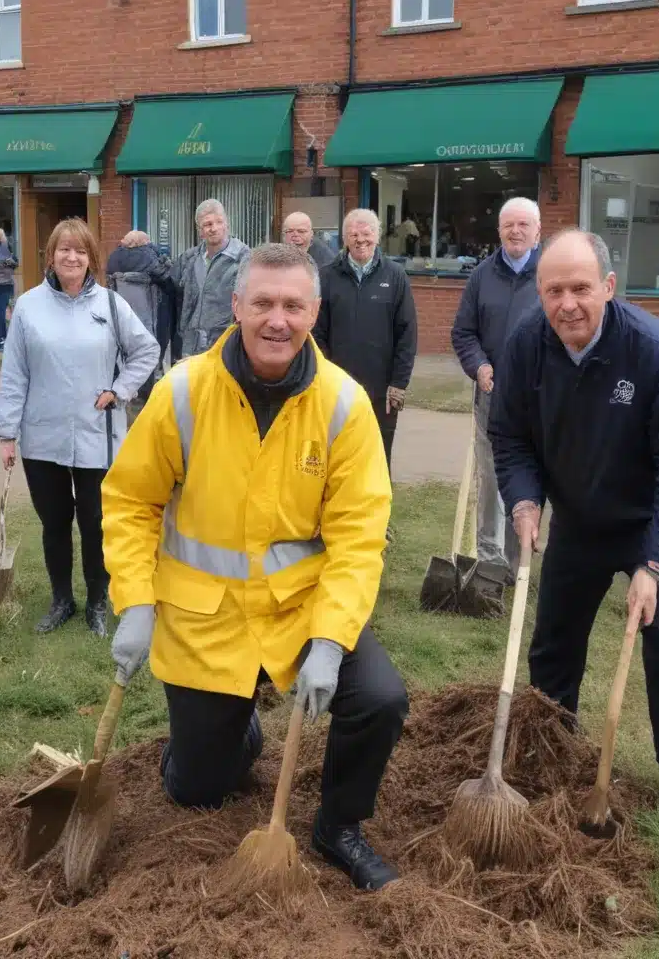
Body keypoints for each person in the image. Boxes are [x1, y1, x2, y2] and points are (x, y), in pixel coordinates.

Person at [102, 242, 408, 891]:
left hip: (300, 612)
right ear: (235, 306)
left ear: (314, 312)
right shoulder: (181, 392)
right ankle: (227, 736)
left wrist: (329, 640)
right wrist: (134, 602)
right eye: (263, 303)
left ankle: (339, 825)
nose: (278, 320)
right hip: (203, 622)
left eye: (293, 305)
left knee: (380, 699)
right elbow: (130, 502)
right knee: (198, 789)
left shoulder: (345, 406)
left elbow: (359, 536)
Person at [489, 228, 659, 844]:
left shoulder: (654, 351)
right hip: (580, 521)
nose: (568, 304)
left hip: (651, 522)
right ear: (539, 292)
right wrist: (525, 498)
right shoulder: (527, 346)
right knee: (554, 643)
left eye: (581, 289)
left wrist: (657, 564)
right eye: (554, 290)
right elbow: (510, 438)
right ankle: (552, 749)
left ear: (609, 288)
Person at [0, 218, 158, 637]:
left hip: (97, 436)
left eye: (81, 251)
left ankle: (97, 602)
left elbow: (147, 350)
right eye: (64, 250)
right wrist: (6, 433)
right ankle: (61, 600)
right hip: (42, 437)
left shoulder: (109, 305)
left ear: (91, 259)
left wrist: (119, 389)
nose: (72, 257)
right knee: (54, 523)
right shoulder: (29, 306)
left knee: (96, 523)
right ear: (50, 256)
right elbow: (14, 372)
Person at [451, 197, 542, 582]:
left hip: (540, 399)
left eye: (523, 225)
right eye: (509, 225)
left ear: (538, 231)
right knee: (491, 478)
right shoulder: (481, 276)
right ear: (500, 230)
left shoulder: (549, 276)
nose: (516, 231)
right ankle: (491, 560)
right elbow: (463, 332)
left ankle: (522, 553)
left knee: (533, 476)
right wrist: (479, 365)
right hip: (492, 398)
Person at [313, 208, 418, 473]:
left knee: (378, 457)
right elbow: (317, 332)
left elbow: (407, 333)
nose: (361, 239)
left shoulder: (395, 276)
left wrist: (399, 383)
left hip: (381, 390)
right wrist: (325, 376)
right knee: (336, 454)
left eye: (367, 233)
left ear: (378, 236)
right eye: (353, 234)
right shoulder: (327, 277)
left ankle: (378, 512)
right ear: (345, 239)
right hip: (337, 387)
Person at [170, 199, 249, 360]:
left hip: (226, 346)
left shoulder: (244, 258)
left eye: (219, 222)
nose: (214, 228)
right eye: (207, 224)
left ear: (226, 224)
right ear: (200, 231)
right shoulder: (188, 259)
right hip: (190, 348)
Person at [106, 230, 175, 406]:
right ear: (143, 242)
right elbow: (169, 280)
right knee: (151, 351)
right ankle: (149, 393)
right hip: (150, 316)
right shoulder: (148, 256)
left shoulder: (113, 258)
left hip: (123, 315)